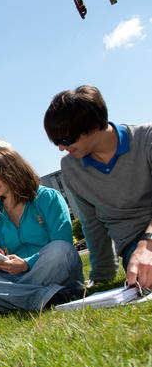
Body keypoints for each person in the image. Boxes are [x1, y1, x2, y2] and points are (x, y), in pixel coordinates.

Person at [44, 85, 152, 289]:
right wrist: (101, 277)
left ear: (93, 126)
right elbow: (91, 223)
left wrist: (149, 243)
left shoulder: (147, 138)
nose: (61, 148)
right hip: (133, 247)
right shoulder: (71, 167)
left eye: (66, 139)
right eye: (56, 142)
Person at [0, 147, 84, 311]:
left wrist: (26, 263)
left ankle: (10, 303)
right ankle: (43, 297)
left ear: (14, 172)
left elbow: (64, 243)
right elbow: (2, 260)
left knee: (60, 249)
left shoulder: (48, 198)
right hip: (16, 278)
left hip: (51, 270)